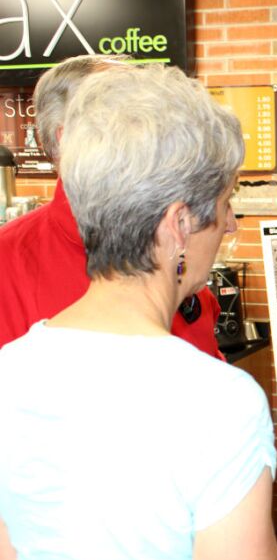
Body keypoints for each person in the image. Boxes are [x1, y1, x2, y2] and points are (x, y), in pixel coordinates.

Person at [0, 64, 277, 560]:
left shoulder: (10, 371)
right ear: (177, 225)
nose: (232, 223)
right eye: (224, 202)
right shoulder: (221, 405)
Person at [0, 55, 222, 357]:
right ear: (71, 142)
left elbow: (205, 355)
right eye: (131, 118)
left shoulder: (172, 233)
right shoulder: (11, 261)